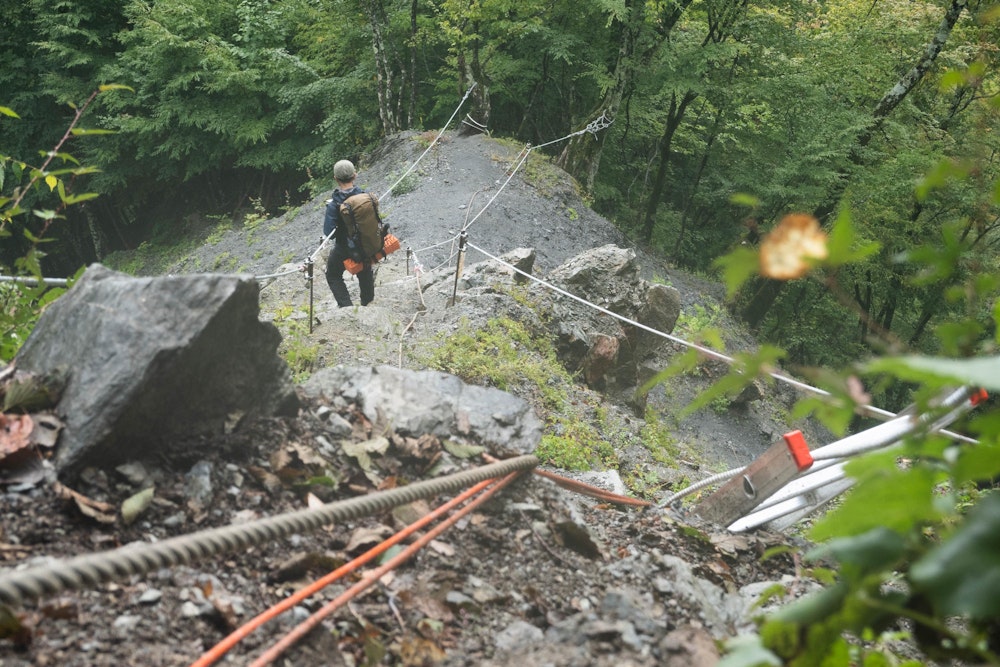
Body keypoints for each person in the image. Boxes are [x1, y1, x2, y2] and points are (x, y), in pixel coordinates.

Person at [323, 159, 375, 307]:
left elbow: (329, 233)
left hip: (344, 247)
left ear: (336, 179)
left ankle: (346, 307)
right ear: (355, 175)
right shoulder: (365, 197)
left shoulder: (334, 205)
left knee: (332, 275)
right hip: (365, 244)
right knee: (365, 270)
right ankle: (367, 302)